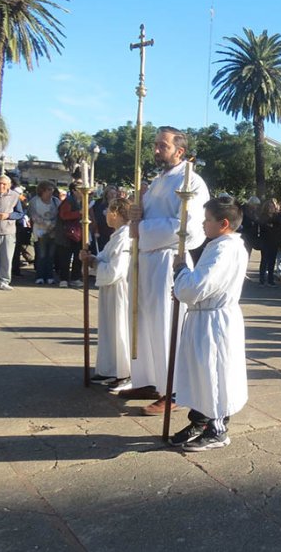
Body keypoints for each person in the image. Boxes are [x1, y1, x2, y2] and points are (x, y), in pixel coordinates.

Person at [121, 126, 210, 415]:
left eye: (162, 145)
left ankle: (172, 389)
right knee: (143, 321)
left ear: (179, 151)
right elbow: (145, 218)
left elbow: (186, 227)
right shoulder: (156, 181)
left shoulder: (192, 182)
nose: (156, 150)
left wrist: (141, 227)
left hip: (169, 260)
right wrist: (137, 213)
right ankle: (148, 379)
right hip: (145, 259)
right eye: (155, 145)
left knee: (165, 325)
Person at [170, 195, 249, 450]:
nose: (204, 225)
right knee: (200, 372)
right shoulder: (220, 245)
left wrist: (181, 271)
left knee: (214, 372)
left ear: (224, 223)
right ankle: (201, 419)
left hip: (214, 321)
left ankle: (217, 429)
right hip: (205, 317)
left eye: (208, 220)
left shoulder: (225, 249)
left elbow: (198, 287)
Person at [79, 198, 132, 390]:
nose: (105, 214)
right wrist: (91, 258)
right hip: (110, 290)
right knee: (109, 330)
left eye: (108, 211)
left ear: (116, 213)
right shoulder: (116, 236)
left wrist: (94, 263)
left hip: (119, 290)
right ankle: (110, 369)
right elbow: (104, 258)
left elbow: (115, 269)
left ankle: (124, 373)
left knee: (120, 329)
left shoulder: (126, 237)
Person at [28, 181, 60, 285]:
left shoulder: (56, 201)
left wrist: (53, 225)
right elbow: (33, 215)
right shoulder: (35, 201)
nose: (50, 192)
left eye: (52, 190)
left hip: (53, 232)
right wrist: (46, 224)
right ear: (42, 190)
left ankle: (50, 276)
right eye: (48, 190)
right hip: (40, 231)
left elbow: (60, 216)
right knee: (41, 255)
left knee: (51, 255)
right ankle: (40, 276)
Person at [55, 180, 85, 288]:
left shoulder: (83, 201)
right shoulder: (68, 201)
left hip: (79, 233)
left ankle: (75, 278)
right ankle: (64, 279)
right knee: (65, 257)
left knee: (78, 256)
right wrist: (79, 213)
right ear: (74, 190)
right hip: (66, 234)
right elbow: (64, 215)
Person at [259, 199, 281, 287]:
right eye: (269, 206)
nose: (271, 208)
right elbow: (263, 226)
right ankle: (262, 279)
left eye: (273, 206)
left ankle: (270, 280)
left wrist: (272, 226)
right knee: (264, 260)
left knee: (272, 261)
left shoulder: (278, 216)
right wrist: (272, 226)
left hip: (274, 241)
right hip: (265, 240)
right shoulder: (263, 216)